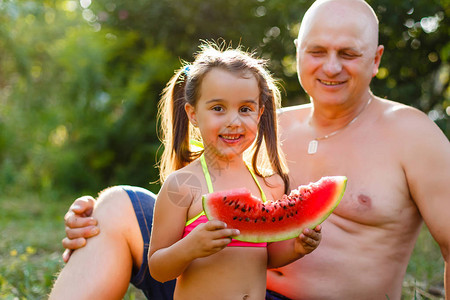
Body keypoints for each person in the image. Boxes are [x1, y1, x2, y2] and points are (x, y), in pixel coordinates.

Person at [57, 0, 450, 299]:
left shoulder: (412, 132)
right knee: (114, 205)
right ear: (298, 51)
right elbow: (192, 195)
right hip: (211, 285)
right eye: (317, 51)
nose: (330, 67)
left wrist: (295, 246)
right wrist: (90, 222)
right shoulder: (261, 125)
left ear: (376, 58)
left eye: (347, 53)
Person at [49, 43, 322, 299]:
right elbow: (157, 266)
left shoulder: (269, 184)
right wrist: (190, 247)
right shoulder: (182, 186)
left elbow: (265, 254)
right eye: (218, 108)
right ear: (193, 114)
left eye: (245, 109)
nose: (234, 121)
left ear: (260, 113)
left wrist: (297, 248)